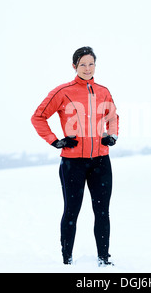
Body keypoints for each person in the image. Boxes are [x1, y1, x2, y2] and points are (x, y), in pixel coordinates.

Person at [31, 47, 119, 266]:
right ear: (74, 66)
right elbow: (38, 117)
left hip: (101, 161)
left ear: (95, 66)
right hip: (73, 163)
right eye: (83, 65)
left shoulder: (103, 91)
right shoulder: (63, 92)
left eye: (91, 64)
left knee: (102, 211)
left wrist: (112, 136)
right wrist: (55, 141)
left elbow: (113, 117)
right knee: (72, 210)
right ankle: (66, 260)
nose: (87, 69)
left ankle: (104, 260)